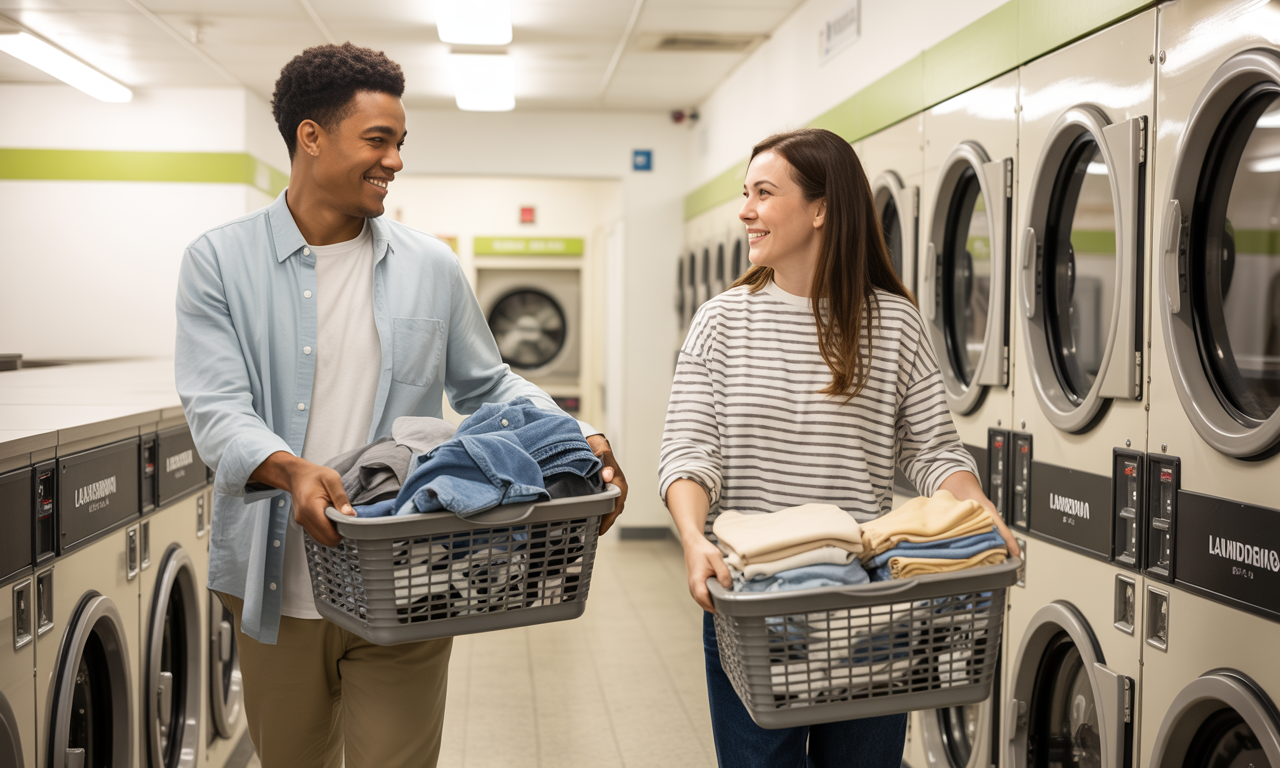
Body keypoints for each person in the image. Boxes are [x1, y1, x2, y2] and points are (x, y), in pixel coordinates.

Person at [175, 43, 628, 768]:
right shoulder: (219, 262)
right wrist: (290, 469)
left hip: (408, 574)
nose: (394, 160)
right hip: (273, 579)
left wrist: (583, 438)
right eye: (377, 140)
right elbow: (215, 405)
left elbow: (491, 385)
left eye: (400, 143)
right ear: (311, 138)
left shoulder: (430, 265)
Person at [658, 128, 1020, 767]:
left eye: (764, 194)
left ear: (821, 208)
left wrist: (976, 516)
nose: (746, 210)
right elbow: (690, 451)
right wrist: (694, 540)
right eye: (746, 194)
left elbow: (932, 450)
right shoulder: (721, 322)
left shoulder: (892, 322)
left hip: (866, 611)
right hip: (753, 607)